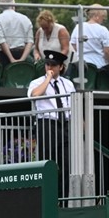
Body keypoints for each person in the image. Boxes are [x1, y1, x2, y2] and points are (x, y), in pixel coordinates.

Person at [27, 51, 75, 197]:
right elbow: (34, 95)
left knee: (67, 165)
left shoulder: (68, 84)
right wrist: (48, 78)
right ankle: (48, 198)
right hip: (47, 124)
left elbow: (72, 105)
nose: (50, 67)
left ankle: (63, 199)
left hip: (64, 125)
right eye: (48, 64)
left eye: (53, 65)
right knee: (47, 164)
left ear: (60, 67)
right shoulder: (37, 82)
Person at [0, 0, 34, 67]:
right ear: (13, 4)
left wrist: (11, 59)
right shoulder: (25, 18)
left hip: (4, 56)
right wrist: (23, 59)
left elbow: (1, 41)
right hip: (23, 53)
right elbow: (30, 41)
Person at [68, 4, 109, 71]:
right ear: (97, 16)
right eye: (103, 16)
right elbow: (107, 51)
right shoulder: (103, 30)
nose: (104, 19)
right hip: (99, 65)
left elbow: (73, 46)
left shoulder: (78, 27)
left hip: (80, 65)